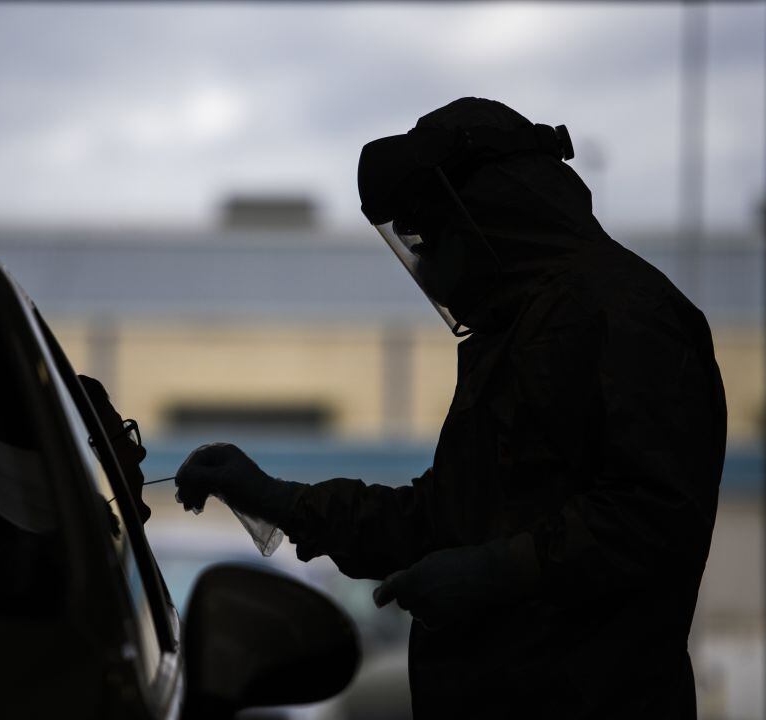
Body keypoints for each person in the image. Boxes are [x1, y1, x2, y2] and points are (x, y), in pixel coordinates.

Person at [174, 97, 727, 719]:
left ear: (490, 217)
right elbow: (439, 520)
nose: (429, 269)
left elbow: (654, 517)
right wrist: (277, 499)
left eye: (432, 238)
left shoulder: (626, 316)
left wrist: (498, 571)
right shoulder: (525, 332)